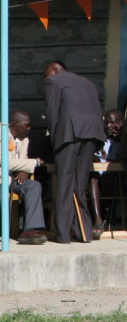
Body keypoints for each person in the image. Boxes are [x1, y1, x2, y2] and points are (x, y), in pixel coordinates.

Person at [43, 61, 105, 243]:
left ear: (54, 70)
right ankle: (83, 232)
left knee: (64, 183)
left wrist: (54, 140)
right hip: (91, 134)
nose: (45, 79)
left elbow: (52, 112)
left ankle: (63, 235)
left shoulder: (53, 81)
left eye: (46, 74)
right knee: (80, 184)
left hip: (69, 134)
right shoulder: (88, 82)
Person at [0, 109, 47, 245]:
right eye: (27, 125)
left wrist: (24, 169)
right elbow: (7, 163)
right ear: (16, 124)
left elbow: (22, 158)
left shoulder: (24, 138)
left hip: (12, 179)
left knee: (34, 186)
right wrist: (35, 162)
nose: (29, 128)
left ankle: (29, 230)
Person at [88, 108, 124, 234]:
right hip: (99, 178)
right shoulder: (99, 139)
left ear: (121, 124)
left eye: (112, 123)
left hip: (117, 178)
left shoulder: (123, 142)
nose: (108, 126)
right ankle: (98, 220)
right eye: (106, 123)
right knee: (93, 177)